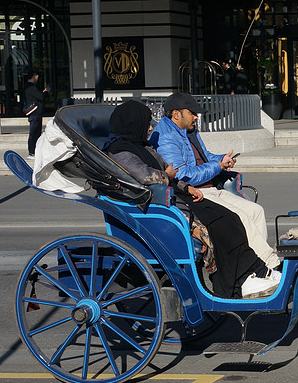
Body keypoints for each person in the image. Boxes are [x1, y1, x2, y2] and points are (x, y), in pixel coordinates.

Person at [105, 101, 280, 298]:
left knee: (230, 218)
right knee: (222, 223)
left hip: (175, 195)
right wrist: (168, 176)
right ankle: (243, 280)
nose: (151, 128)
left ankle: (255, 272)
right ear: (132, 124)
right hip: (159, 203)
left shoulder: (141, 147)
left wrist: (186, 186)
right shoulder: (120, 151)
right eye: (146, 124)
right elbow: (148, 176)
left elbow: (173, 173)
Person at [150, 91, 280, 271]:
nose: (196, 117)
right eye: (192, 113)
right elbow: (184, 175)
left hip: (211, 186)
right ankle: (270, 265)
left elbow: (205, 156)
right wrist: (218, 166)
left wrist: (222, 160)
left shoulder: (189, 130)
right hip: (196, 192)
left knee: (256, 211)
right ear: (176, 114)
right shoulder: (167, 138)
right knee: (242, 217)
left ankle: (258, 264)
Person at [23, 71, 47, 158]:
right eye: (36, 77)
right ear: (33, 76)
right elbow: (40, 97)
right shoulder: (30, 87)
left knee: (36, 133)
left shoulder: (28, 86)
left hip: (35, 113)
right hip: (35, 113)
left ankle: (35, 151)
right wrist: (46, 92)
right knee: (34, 133)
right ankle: (32, 152)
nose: (37, 78)